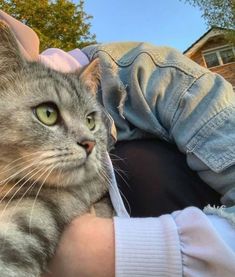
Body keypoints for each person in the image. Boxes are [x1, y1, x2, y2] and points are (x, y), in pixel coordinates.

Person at [1, 10, 235, 277]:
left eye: (90, 122)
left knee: (144, 162)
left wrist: (101, 250)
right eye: (49, 114)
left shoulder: (155, 74)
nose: (86, 142)